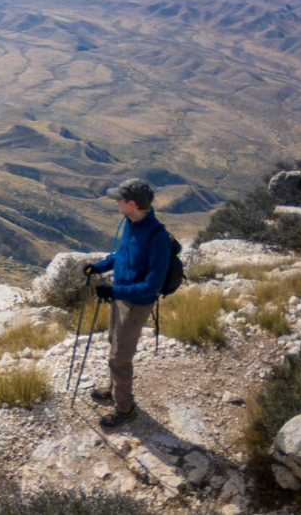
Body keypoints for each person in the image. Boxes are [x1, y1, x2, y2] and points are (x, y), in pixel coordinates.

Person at [83, 178, 171, 430]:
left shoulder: (157, 236)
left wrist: (115, 290)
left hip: (135, 304)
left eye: (120, 199)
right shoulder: (131, 223)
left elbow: (152, 286)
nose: (116, 202)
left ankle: (125, 408)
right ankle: (114, 389)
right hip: (120, 298)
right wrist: (100, 266)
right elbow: (123, 256)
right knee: (114, 342)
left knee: (120, 358)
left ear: (131, 204)